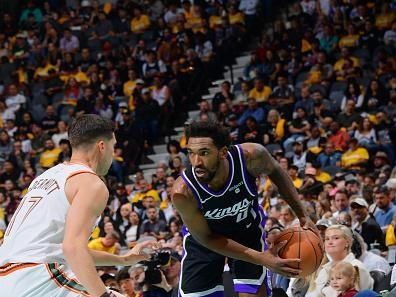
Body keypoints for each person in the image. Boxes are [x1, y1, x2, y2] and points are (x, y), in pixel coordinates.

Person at [0, 114, 155, 297]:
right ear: (102, 146)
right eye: (113, 146)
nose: (114, 153)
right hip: (38, 276)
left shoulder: (46, 177)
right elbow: (72, 248)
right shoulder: (91, 183)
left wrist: (124, 259)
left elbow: (56, 248)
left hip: (7, 279)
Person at [171, 121, 316, 297]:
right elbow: (207, 238)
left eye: (204, 153)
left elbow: (276, 171)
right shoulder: (183, 192)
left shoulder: (251, 156)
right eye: (191, 153)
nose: (196, 162)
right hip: (205, 241)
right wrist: (260, 258)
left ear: (223, 152)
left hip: (246, 231)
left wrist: (302, 215)